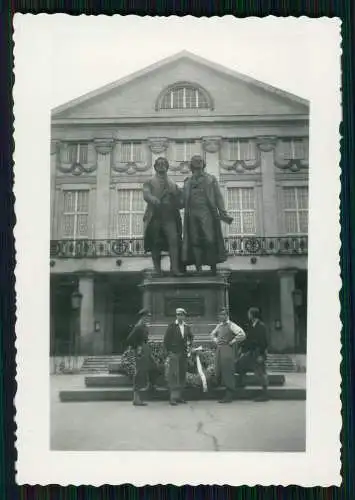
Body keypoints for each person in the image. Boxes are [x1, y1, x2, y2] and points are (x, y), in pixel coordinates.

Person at [181, 155, 233, 274]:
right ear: (191, 165)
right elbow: (182, 199)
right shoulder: (188, 181)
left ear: (203, 164)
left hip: (207, 212)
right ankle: (198, 268)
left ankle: (213, 266)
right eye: (195, 160)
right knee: (195, 240)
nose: (198, 162)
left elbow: (218, 197)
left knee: (210, 239)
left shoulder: (211, 179)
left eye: (200, 160)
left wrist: (223, 212)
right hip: (192, 213)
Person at [143, 157, 183, 276]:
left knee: (173, 241)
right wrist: (153, 199)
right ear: (155, 167)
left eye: (164, 164)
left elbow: (178, 199)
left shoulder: (172, 183)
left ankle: (174, 268)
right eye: (159, 164)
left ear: (167, 167)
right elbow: (146, 194)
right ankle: (157, 269)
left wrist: (180, 196)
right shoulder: (149, 182)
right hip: (155, 215)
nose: (161, 166)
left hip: (170, 216)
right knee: (156, 242)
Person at [211, 307, 246, 403]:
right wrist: (216, 340)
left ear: (227, 315)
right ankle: (222, 390)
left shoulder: (231, 325)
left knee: (227, 370)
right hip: (219, 349)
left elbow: (242, 334)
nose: (221, 316)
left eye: (223, 314)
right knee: (219, 369)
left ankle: (229, 393)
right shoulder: (219, 326)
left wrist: (232, 341)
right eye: (220, 314)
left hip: (227, 349)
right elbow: (212, 334)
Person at [126, 308, 159, 406]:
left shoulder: (144, 326)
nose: (148, 318)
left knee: (154, 367)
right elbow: (129, 339)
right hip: (141, 352)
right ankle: (136, 399)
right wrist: (138, 347)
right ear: (142, 317)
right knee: (140, 374)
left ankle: (150, 385)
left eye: (148, 317)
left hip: (146, 350)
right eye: (146, 317)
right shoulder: (139, 326)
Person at [236, 307, 269, 402]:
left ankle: (265, 394)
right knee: (240, 364)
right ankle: (241, 383)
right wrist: (242, 349)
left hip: (258, 352)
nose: (248, 315)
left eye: (249, 313)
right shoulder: (252, 325)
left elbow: (264, 342)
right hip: (251, 352)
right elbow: (249, 340)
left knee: (261, 373)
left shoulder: (261, 326)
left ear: (253, 315)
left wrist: (261, 355)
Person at [163, 308, 193, 405]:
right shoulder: (172, 326)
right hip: (174, 353)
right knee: (173, 375)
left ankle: (180, 396)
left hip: (183, 354)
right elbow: (166, 340)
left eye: (181, 314)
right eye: (178, 314)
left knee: (182, 374)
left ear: (184, 316)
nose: (179, 316)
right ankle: (172, 397)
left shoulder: (187, 327)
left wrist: (189, 347)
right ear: (176, 316)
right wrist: (169, 352)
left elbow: (191, 338)